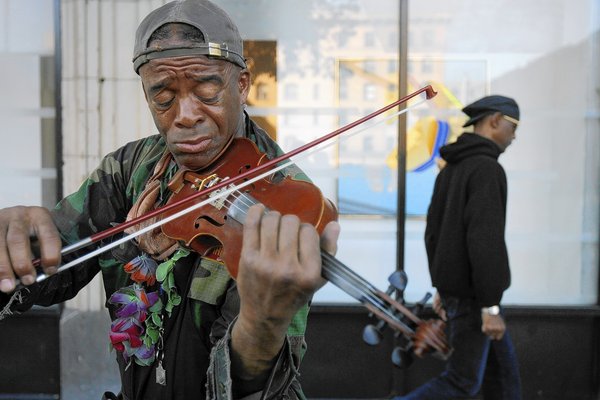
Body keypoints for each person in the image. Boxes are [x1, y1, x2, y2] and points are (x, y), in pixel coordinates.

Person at [0, 1, 340, 399]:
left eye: (207, 88)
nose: (185, 115)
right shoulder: (129, 168)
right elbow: (57, 255)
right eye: (163, 95)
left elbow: (248, 385)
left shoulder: (287, 205)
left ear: (242, 84)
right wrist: (16, 247)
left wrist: (261, 327)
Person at [393, 95, 523, 400]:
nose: (515, 135)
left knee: (503, 380)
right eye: (513, 126)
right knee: (462, 382)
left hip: (460, 294)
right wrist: (490, 307)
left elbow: (433, 235)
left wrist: (442, 286)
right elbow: (484, 240)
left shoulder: (451, 169)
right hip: (474, 299)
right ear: (494, 121)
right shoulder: (487, 170)